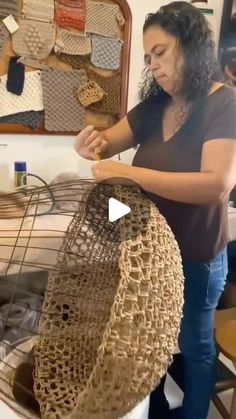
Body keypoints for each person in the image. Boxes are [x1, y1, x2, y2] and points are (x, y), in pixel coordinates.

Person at [74, 2, 236, 419]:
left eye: (161, 52)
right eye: (148, 58)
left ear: (192, 45)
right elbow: (106, 143)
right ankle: (158, 410)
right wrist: (91, 143)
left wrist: (135, 175)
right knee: (152, 342)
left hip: (197, 256)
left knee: (197, 347)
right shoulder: (155, 106)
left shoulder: (225, 105)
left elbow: (216, 185)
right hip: (150, 254)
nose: (154, 66)